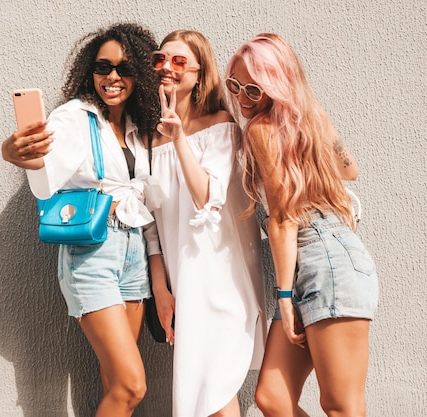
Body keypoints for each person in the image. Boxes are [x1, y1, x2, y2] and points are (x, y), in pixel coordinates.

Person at [1, 23, 161, 417]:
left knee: (114, 383)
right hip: (92, 255)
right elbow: (44, 178)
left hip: (134, 254)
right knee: (131, 385)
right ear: (89, 71)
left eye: (124, 69)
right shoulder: (74, 117)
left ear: (138, 75)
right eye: (103, 67)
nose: (112, 77)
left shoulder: (140, 129)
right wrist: (15, 152)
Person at [224, 33, 379, 417]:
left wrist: (283, 296)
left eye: (254, 90)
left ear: (275, 87)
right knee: (273, 397)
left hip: (322, 258)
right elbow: (350, 169)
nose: (243, 99)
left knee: (341, 405)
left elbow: (282, 217)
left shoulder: (261, 130)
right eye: (236, 86)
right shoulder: (308, 118)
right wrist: (310, 121)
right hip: (320, 260)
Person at [147, 30, 266, 417]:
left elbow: (205, 197)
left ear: (200, 74)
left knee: (214, 394)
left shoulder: (220, 126)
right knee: (205, 398)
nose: (167, 67)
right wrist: (160, 286)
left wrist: (179, 138)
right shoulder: (145, 139)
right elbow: (148, 221)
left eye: (180, 61)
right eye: (160, 59)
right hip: (183, 284)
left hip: (219, 280)